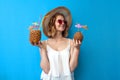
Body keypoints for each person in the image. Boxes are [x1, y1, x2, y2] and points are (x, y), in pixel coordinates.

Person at [34, 6, 81, 80]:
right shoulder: (43, 44)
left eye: (64, 21)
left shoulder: (71, 43)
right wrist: (42, 49)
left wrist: (77, 49)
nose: (63, 23)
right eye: (59, 21)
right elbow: (46, 70)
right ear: (53, 23)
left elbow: (71, 68)